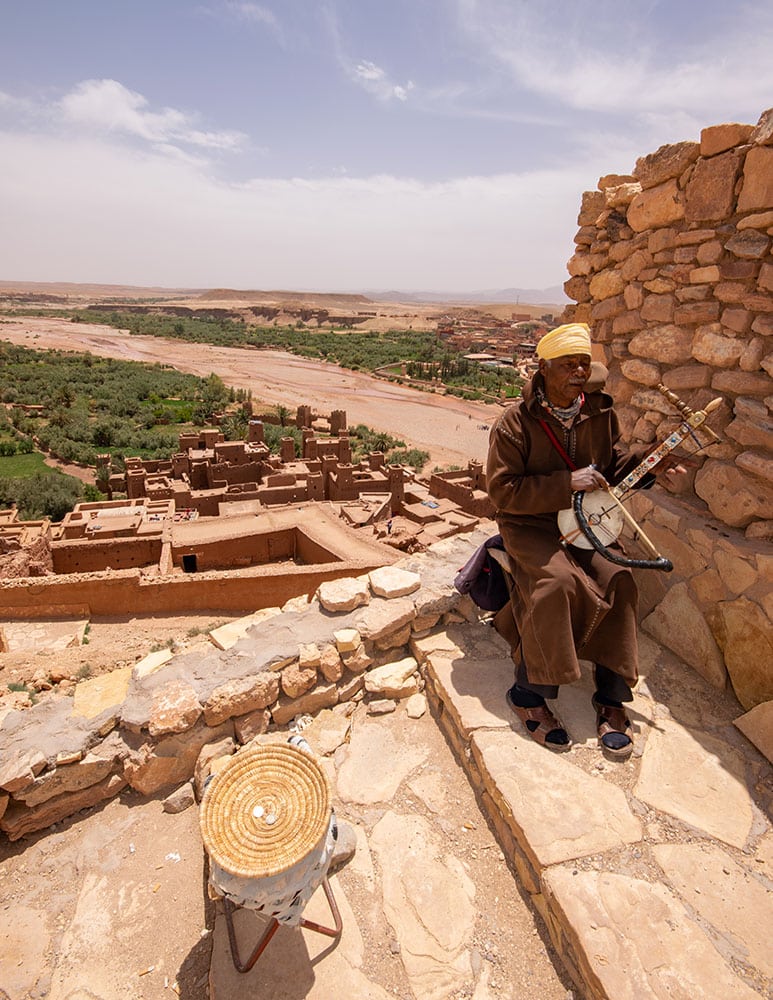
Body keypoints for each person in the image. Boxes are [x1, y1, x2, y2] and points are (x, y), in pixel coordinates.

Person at [486, 322, 683, 758]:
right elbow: (502, 492)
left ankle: (611, 697)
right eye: (567, 364)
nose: (577, 372)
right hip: (530, 523)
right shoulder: (514, 424)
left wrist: (650, 466)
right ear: (544, 368)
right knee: (557, 584)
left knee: (621, 579)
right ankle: (529, 694)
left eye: (583, 364)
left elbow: (610, 464)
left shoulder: (597, 412)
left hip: (585, 520)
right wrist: (566, 483)